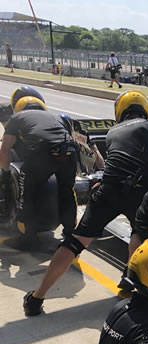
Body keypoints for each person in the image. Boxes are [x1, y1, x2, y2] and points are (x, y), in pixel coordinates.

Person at [22, 91, 148, 317]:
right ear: (144, 110)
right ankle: (142, 287)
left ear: (120, 111)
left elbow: (113, 162)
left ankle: (37, 297)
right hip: (140, 191)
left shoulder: (112, 132)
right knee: (141, 234)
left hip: (108, 189)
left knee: (75, 242)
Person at [0, 97, 77, 250]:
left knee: (27, 194)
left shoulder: (17, 117)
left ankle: (29, 239)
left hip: (43, 151)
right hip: (69, 150)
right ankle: (69, 237)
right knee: (67, 193)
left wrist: (5, 173)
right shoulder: (54, 117)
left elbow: (5, 149)